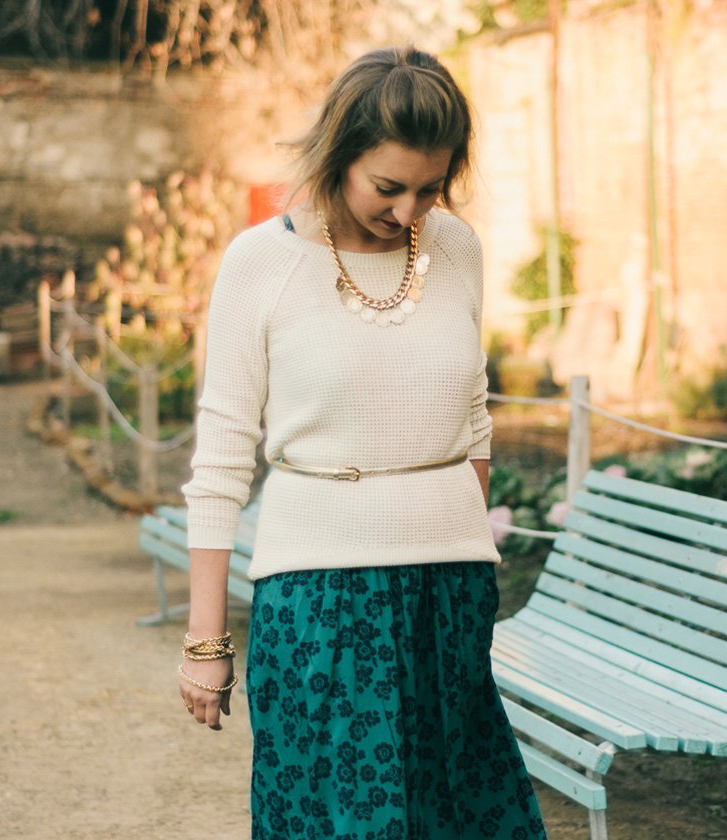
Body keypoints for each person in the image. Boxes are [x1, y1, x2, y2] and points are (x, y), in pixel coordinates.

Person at [177, 45, 548, 839]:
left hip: (449, 598)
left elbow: (473, 415)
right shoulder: (261, 263)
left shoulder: (456, 249)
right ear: (339, 157)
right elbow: (221, 459)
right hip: (319, 602)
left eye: (430, 188)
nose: (410, 210)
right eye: (388, 187)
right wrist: (206, 642)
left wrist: (465, 550)